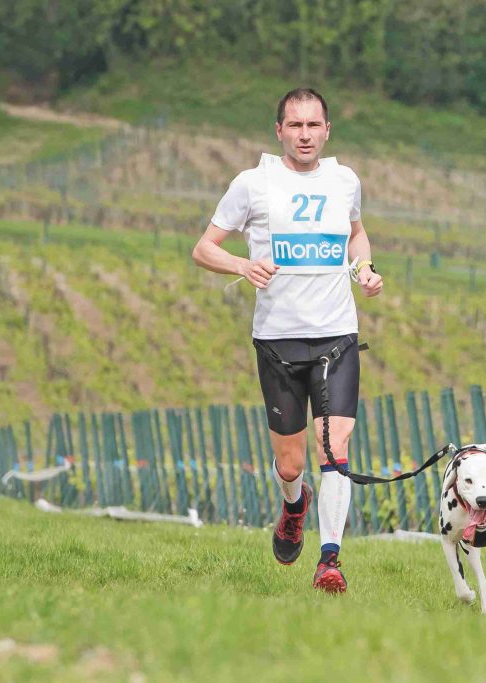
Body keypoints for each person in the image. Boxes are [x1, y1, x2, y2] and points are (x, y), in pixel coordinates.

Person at [192, 88, 382, 593]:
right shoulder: (252, 184)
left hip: (336, 336)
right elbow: (203, 248)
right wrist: (242, 264)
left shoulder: (345, 181)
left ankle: (330, 561)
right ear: (279, 130)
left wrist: (363, 267)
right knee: (290, 462)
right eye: (295, 126)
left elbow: (356, 235)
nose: (305, 134)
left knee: (335, 449)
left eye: (313, 125)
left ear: (327, 131)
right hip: (277, 341)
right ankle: (293, 504)